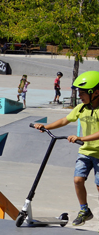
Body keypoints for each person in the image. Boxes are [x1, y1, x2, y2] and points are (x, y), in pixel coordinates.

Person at [32, 71, 99, 226]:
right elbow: (64, 120)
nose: (79, 95)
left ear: (96, 92)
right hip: (86, 151)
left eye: (83, 93)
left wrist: (81, 138)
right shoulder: (81, 108)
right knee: (77, 180)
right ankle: (84, 210)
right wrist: (45, 126)